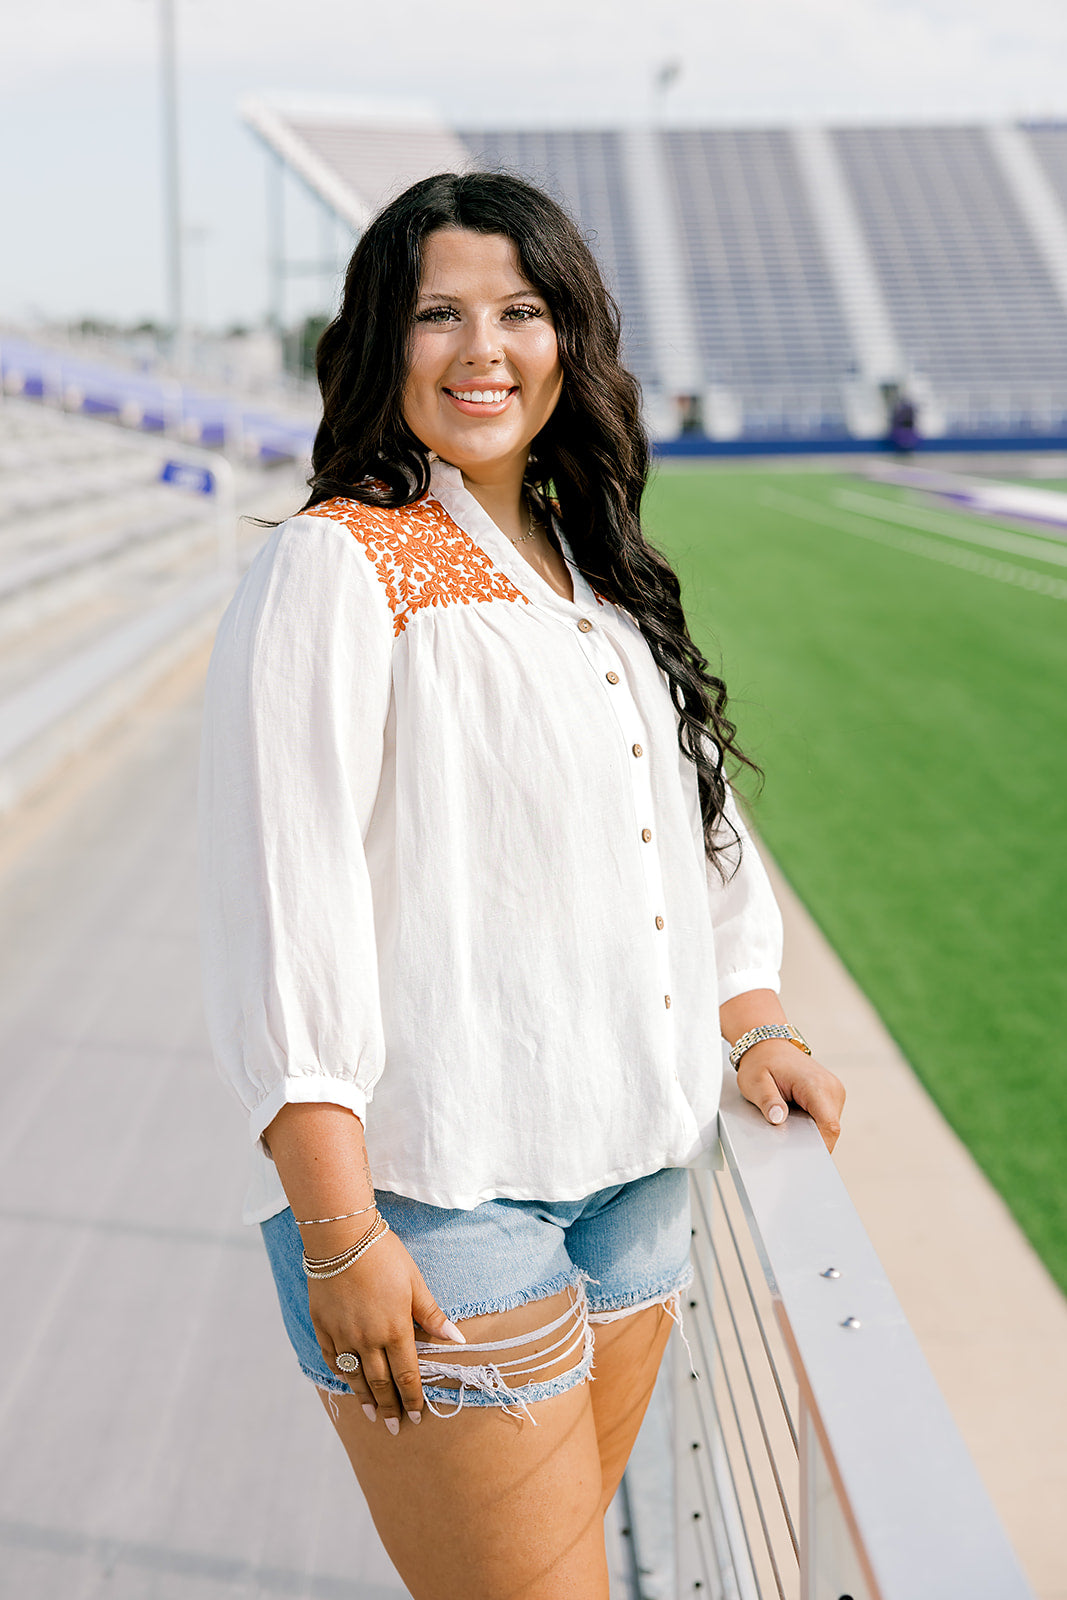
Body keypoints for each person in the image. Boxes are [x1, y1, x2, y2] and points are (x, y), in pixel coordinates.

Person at [198, 171, 845, 1600]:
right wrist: (340, 1229)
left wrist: (757, 1018)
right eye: (438, 314)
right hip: (441, 1205)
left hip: (633, 1179)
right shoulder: (340, 562)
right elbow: (279, 910)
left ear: (571, 340)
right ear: (381, 341)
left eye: (520, 310)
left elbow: (697, 837)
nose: (482, 348)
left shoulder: (595, 576)